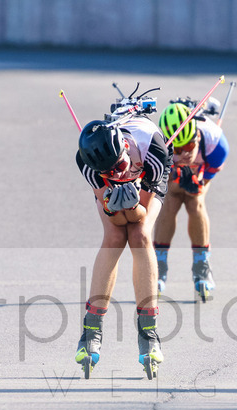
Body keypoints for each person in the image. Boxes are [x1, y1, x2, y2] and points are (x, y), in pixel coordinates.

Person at [74, 114, 173, 378]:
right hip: (116, 186)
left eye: (118, 165)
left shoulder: (153, 151)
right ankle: (91, 331)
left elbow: (140, 214)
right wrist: (111, 205)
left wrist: (131, 205)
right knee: (115, 237)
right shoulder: (88, 164)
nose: (116, 174)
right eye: (108, 173)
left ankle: (148, 332)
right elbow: (115, 220)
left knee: (140, 234)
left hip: (146, 174)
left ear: (125, 148)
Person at [153, 101, 230, 299]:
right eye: (176, 151)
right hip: (172, 175)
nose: (184, 154)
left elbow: (204, 181)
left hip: (201, 169)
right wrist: (175, 176)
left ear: (196, 136)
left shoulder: (217, 144)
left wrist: (197, 180)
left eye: (188, 146)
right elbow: (162, 179)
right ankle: (158, 268)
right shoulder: (158, 147)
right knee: (170, 200)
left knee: (195, 201)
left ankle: (201, 267)